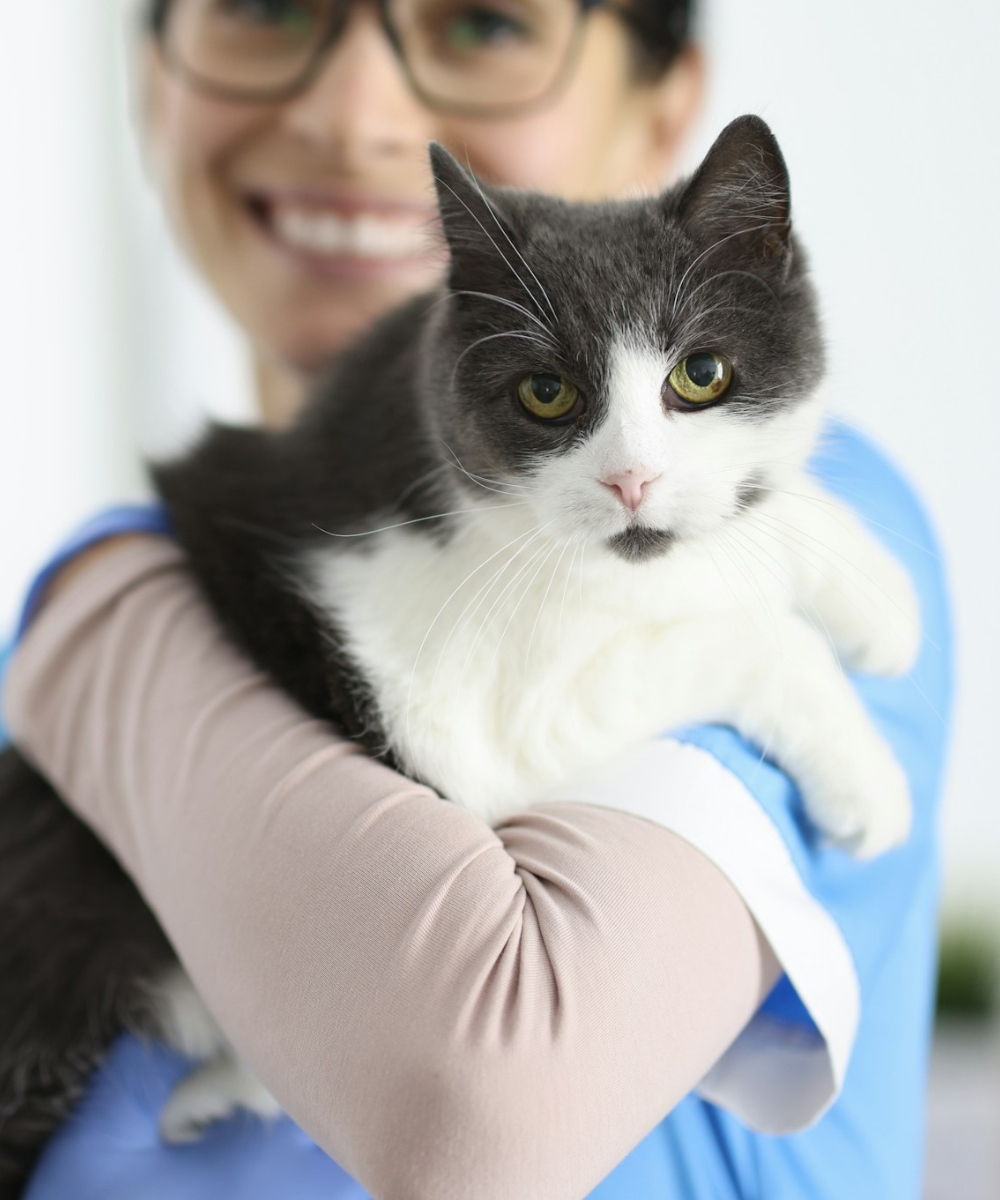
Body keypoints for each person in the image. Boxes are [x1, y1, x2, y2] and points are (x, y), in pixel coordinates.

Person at [1, 1, 951, 1197]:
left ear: (662, 99)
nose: (355, 120)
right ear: (146, 79)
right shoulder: (88, 610)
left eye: (484, 26)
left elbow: (488, 1106)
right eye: (266, 9)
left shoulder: (827, 541)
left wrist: (112, 633)